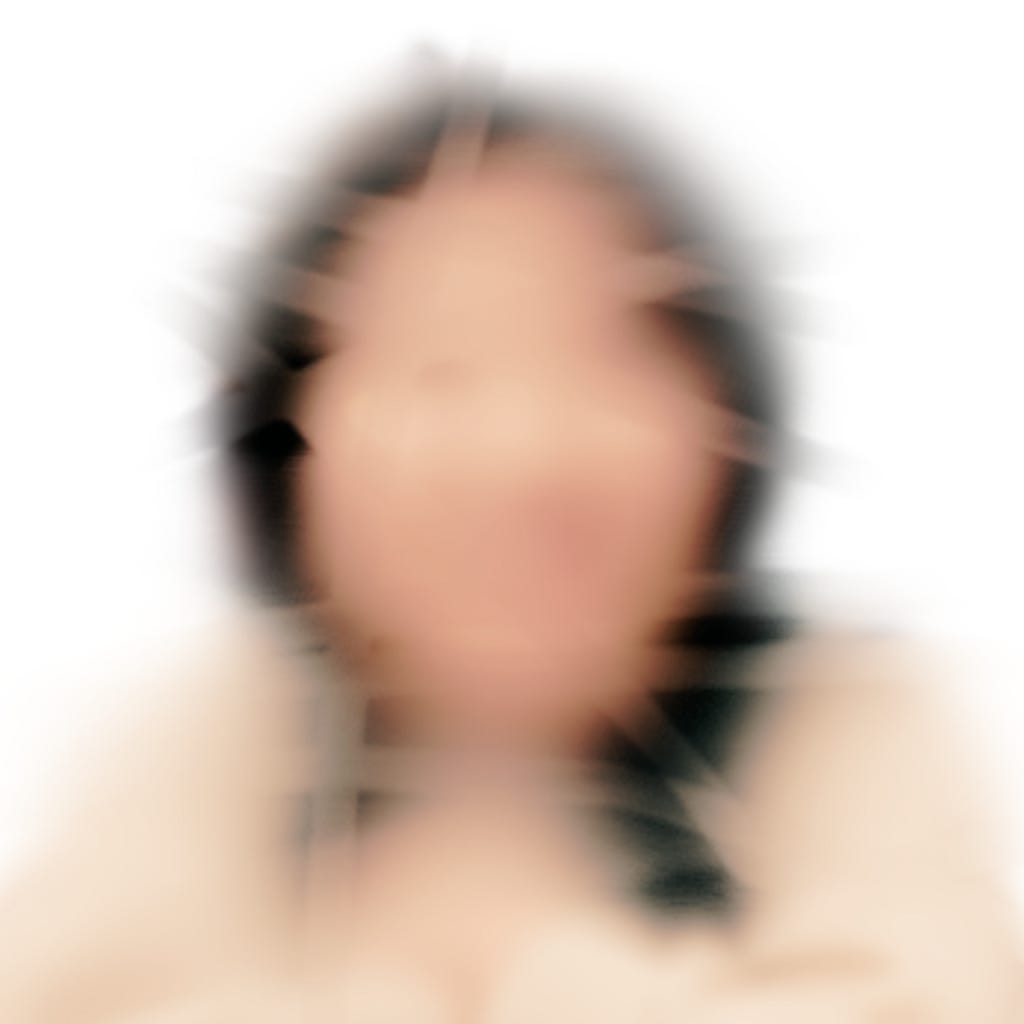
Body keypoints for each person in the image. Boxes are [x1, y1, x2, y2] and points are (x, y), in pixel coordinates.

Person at [2, 73, 1022, 1022]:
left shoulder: (842, 725)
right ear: (285, 443)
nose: (525, 451)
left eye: (609, 354)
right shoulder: (198, 743)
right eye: (441, 367)